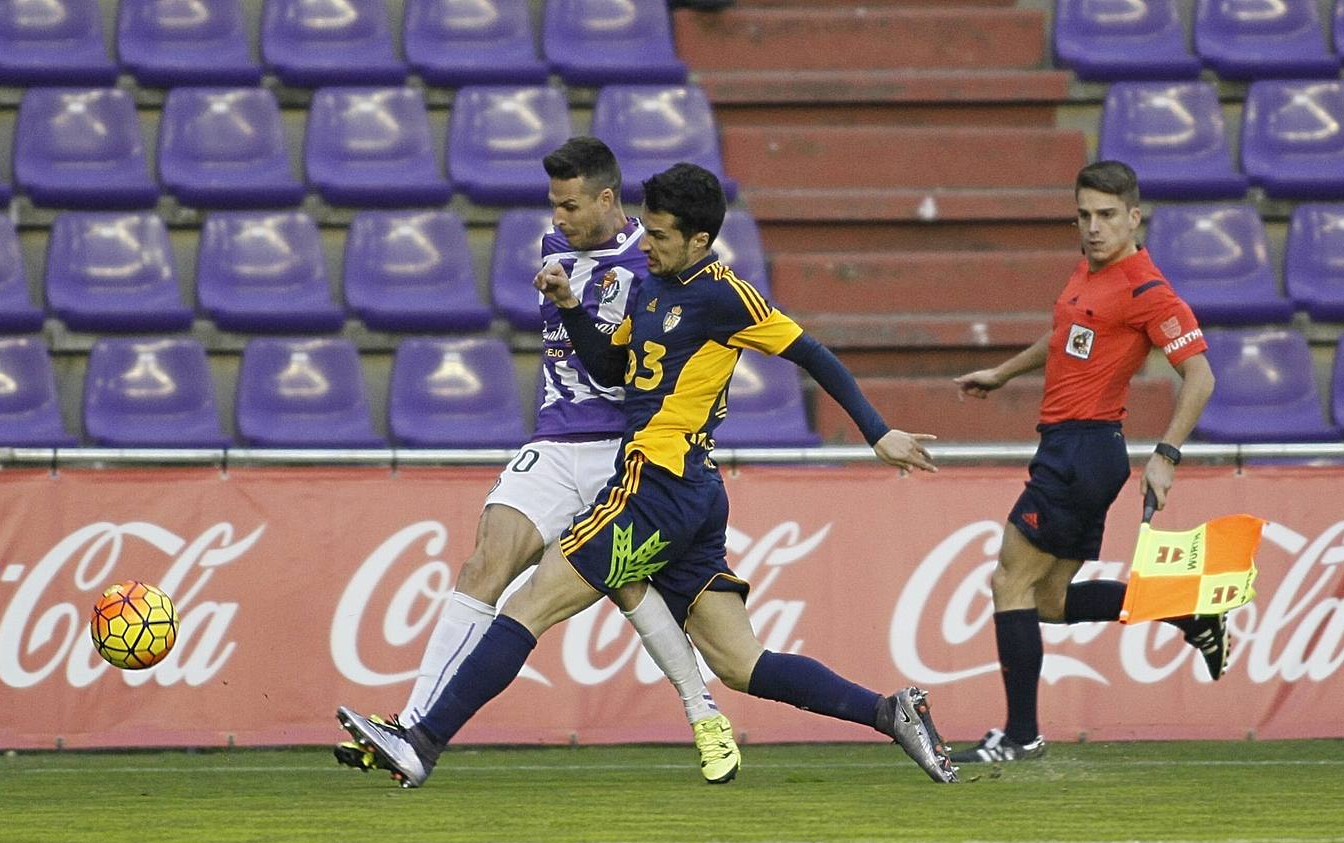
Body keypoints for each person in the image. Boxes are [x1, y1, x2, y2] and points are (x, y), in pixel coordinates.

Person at [337, 162, 959, 787]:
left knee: (530, 603)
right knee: (741, 663)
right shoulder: (652, 287)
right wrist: (572, 306)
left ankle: (422, 741)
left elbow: (812, 353)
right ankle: (890, 712)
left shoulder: (725, 294)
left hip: (654, 485)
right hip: (689, 494)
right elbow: (611, 367)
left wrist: (878, 432)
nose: (648, 244)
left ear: (699, 240)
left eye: (660, 235)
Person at [334, 137, 743, 784]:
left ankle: (703, 711)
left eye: (571, 205)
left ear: (607, 200)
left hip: (622, 448)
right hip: (554, 444)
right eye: (554, 204)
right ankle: (407, 729)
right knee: (484, 561)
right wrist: (560, 294)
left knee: (628, 586)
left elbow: (639, 367)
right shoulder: (557, 249)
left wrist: (579, 312)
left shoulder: (655, 265)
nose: (558, 218)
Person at [949, 160, 1220, 764]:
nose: (1092, 228)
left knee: (1008, 580)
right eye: (1083, 215)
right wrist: (1001, 372)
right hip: (1071, 449)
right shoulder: (1086, 274)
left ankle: (1021, 736)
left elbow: (1199, 375)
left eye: (1105, 216)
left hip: (1084, 450)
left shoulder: (1148, 290)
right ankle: (1185, 611)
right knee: (1045, 601)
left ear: (1133, 217)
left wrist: (1167, 455)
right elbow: (1066, 335)